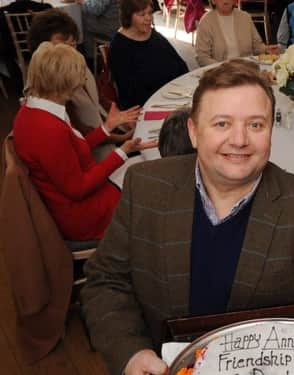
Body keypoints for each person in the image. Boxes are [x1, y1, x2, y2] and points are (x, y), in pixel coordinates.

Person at [80, 61, 294, 375]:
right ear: (193, 131)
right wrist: (131, 355)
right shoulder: (145, 186)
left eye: (255, 124)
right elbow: (104, 282)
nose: (239, 140)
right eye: (222, 124)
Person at [11, 42, 156, 241]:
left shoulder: (34, 111)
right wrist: (122, 151)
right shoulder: (48, 129)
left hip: (81, 198)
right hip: (85, 215)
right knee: (155, 182)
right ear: (65, 82)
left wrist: (107, 128)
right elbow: (78, 188)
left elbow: (72, 151)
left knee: (145, 167)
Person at [27, 9, 133, 160]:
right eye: (62, 46)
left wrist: (123, 117)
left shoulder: (78, 66)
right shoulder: (54, 93)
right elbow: (83, 137)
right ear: (42, 51)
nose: (71, 52)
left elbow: (100, 99)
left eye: (73, 44)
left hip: (108, 133)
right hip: (94, 153)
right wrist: (122, 138)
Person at [109, 0, 189, 109]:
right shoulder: (119, 47)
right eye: (142, 14)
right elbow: (130, 94)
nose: (148, 18)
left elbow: (180, 65)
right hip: (149, 106)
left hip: (174, 96)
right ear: (128, 16)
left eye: (150, 13)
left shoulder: (153, 35)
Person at [195, 0, 278, 66]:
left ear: (235, 1)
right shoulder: (206, 21)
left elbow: (256, 46)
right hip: (219, 73)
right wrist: (222, 67)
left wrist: (267, 50)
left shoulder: (245, 17)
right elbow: (202, 57)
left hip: (245, 68)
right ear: (213, 1)